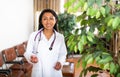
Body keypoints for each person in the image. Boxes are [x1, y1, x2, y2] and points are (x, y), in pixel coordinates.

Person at [24, 9, 67, 77]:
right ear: (41, 21)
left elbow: (63, 54)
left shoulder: (60, 37)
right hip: (38, 71)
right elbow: (28, 52)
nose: (48, 22)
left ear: (55, 20)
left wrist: (60, 62)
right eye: (45, 19)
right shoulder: (34, 35)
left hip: (54, 71)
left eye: (51, 18)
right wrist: (31, 57)